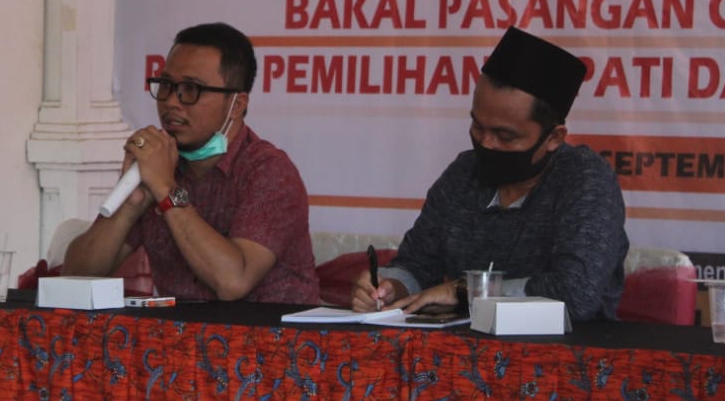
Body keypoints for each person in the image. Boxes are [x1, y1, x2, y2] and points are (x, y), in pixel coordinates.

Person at [352, 26, 628, 322]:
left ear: (553, 138)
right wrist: (391, 286)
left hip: (564, 349)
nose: (485, 143)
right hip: (458, 346)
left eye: (505, 136)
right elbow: (417, 263)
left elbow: (576, 294)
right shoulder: (464, 173)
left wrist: (464, 292)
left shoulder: (585, 180)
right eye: (477, 126)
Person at [63, 22, 320, 303]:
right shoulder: (160, 166)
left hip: (268, 331)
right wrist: (131, 205)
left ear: (236, 105)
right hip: (177, 331)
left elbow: (233, 282)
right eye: (166, 85)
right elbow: (75, 276)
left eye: (191, 89)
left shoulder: (269, 171)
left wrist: (166, 190)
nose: (171, 102)